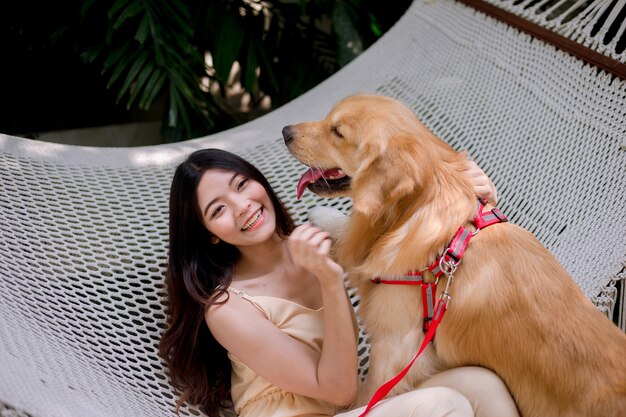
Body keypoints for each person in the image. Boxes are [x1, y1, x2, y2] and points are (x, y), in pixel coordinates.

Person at [158, 148, 520, 417]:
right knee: (445, 404)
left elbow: (422, 258)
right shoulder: (227, 308)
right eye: (218, 210)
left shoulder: (318, 242)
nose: (241, 206)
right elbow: (337, 390)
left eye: (241, 185)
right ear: (208, 236)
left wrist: (473, 200)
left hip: (352, 410)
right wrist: (330, 281)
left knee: (480, 384)